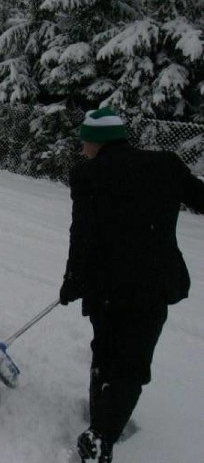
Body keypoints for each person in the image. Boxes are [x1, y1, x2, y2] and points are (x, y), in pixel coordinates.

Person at [59, 107, 204, 463]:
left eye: (85, 143)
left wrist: (72, 281)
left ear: (98, 142)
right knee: (132, 364)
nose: (82, 150)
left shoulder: (88, 174)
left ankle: (101, 428)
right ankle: (104, 432)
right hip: (152, 284)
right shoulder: (166, 165)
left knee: (106, 351)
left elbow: (83, 235)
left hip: (104, 287)